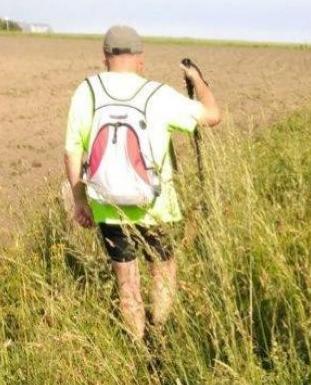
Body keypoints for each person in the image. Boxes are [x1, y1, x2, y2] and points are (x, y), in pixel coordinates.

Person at [63, 25, 221, 340]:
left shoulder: (88, 91)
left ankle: (135, 346)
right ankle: (158, 339)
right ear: (141, 60)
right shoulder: (156, 94)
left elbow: (71, 151)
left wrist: (80, 201)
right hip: (158, 207)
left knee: (127, 283)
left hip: (109, 207)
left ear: (105, 57)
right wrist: (198, 81)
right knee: (162, 271)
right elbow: (212, 115)